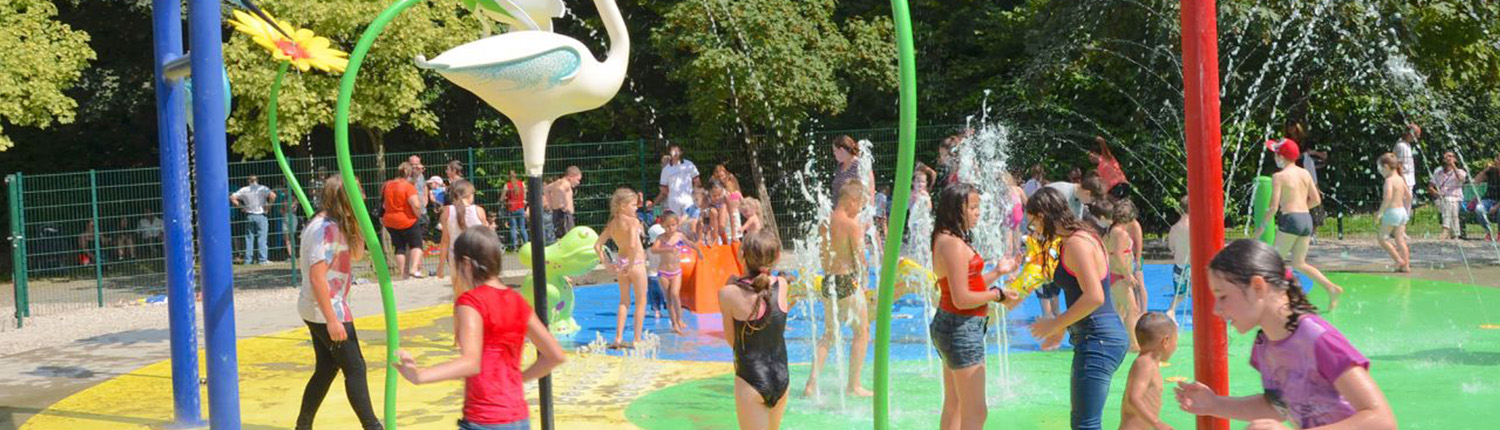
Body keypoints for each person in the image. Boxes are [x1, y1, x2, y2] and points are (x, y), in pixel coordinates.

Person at [1175, 240, 1395, 430]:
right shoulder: (1265, 346)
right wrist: (1215, 405)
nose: (1216, 309)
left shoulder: (1317, 339)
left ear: (1257, 287)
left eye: (1222, 296)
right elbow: (1279, 407)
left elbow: (1381, 421)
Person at [394, 226, 567, 430]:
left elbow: (471, 362)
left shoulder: (471, 302)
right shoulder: (517, 301)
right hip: (518, 419)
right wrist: (518, 379)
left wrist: (420, 375)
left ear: (466, 264)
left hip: (484, 419)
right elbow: (555, 355)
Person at [1026, 187, 1128, 430]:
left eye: (1033, 224)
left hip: (1098, 338)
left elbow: (1094, 297)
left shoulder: (1075, 244)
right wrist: (1063, 328)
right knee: (1085, 421)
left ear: (1042, 216)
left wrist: (1055, 323)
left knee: (1086, 424)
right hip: (1099, 336)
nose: (1034, 230)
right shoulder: (1084, 235)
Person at [929, 182, 1020, 430]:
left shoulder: (946, 238)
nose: (978, 212)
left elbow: (966, 285)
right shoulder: (953, 244)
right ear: (958, 209)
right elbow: (962, 299)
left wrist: (997, 272)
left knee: (955, 404)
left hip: (950, 324)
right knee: (976, 412)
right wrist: (996, 295)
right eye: (973, 207)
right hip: (960, 327)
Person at [295, 176, 382, 430]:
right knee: (355, 368)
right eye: (358, 194)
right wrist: (332, 320)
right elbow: (317, 276)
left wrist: (358, 222)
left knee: (326, 367)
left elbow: (356, 254)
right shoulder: (325, 228)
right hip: (327, 309)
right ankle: (373, 426)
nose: (364, 198)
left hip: (319, 307)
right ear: (345, 198)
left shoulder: (333, 224)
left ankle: (303, 425)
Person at [804, 180, 876, 398]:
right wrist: (864, 284)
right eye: (860, 205)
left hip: (828, 282)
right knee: (862, 332)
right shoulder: (851, 224)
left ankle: (811, 384)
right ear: (851, 201)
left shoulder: (825, 221)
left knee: (828, 334)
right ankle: (854, 385)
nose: (861, 210)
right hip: (847, 282)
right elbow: (860, 258)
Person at [1257, 138, 1343, 310]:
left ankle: (1278, 300)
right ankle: (1331, 287)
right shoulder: (1305, 173)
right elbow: (1317, 199)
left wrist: (1262, 226)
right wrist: (1301, 208)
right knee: (1299, 263)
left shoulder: (1279, 176)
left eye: (1276, 154)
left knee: (1274, 261)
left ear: (1281, 157)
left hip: (1291, 219)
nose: (1274, 158)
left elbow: (1273, 206)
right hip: (1306, 219)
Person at [719, 229, 791, 430]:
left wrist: (733, 283)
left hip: (751, 379)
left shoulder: (727, 294)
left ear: (742, 255)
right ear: (776, 257)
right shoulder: (782, 285)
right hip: (782, 377)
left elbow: (732, 341)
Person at [595, 188, 649, 349]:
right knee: (640, 301)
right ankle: (637, 339)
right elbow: (633, 244)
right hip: (636, 264)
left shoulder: (613, 223)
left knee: (624, 301)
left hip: (621, 264)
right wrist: (632, 264)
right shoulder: (633, 222)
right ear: (624, 205)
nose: (636, 207)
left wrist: (606, 264)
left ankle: (618, 338)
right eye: (633, 205)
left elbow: (597, 245)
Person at [1089, 200, 1141, 352]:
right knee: (1132, 309)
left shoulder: (1111, 230)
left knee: (1119, 311)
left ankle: (1114, 340)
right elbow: (1118, 255)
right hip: (1120, 276)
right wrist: (1128, 275)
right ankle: (1133, 343)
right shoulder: (1121, 233)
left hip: (1113, 275)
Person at [1121, 312, 1178, 430]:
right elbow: (1134, 398)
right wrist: (1157, 423)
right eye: (1175, 340)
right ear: (1165, 341)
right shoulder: (1144, 363)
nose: (1176, 346)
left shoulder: (1150, 363)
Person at [651, 211, 703, 335]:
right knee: (668, 299)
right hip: (663, 272)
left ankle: (679, 319)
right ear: (663, 226)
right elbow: (654, 250)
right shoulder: (661, 238)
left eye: (673, 225)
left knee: (675, 294)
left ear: (677, 224)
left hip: (676, 272)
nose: (671, 228)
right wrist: (667, 248)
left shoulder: (679, 236)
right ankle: (674, 323)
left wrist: (698, 250)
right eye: (668, 226)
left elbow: (689, 243)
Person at [443, 180, 492, 290]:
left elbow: (445, 240)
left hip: (455, 257)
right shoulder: (479, 210)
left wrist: (441, 266)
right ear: (469, 195)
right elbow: (485, 236)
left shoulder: (447, 211)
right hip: (477, 255)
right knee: (479, 289)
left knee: (459, 294)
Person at [382, 162, 425, 280]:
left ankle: (402, 274)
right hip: (407, 220)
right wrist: (418, 216)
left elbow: (384, 205)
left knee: (399, 247)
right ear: (408, 174)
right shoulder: (408, 187)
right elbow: (416, 205)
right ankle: (414, 269)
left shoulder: (387, 185)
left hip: (390, 221)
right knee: (416, 245)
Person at [1376, 153, 1412, 273]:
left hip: (1392, 212)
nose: (1381, 172)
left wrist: (1380, 213)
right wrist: (1407, 210)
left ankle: (1398, 260)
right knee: (1400, 240)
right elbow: (1409, 196)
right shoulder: (1401, 179)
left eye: (1380, 169)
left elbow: (1388, 197)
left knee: (1382, 238)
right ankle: (1406, 266)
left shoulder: (1389, 180)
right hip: (1402, 212)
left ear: (1386, 167)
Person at [231, 175, 278, 265]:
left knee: (249, 238)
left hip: (249, 215)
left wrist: (241, 207)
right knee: (262, 238)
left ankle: (248, 260)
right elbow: (273, 195)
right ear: (257, 180)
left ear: (248, 181)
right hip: (261, 214)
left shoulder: (244, 190)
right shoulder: (262, 188)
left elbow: (232, 197)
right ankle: (262, 259)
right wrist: (269, 206)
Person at [1428, 150, 1469, 240]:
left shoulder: (1461, 171)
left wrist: (1453, 166)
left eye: (1450, 156)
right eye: (1446, 157)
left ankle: (1446, 230)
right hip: (1440, 200)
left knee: (1450, 201)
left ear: (1455, 159)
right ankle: (1454, 233)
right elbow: (1430, 187)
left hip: (1457, 200)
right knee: (1448, 201)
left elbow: (1461, 179)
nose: (1448, 158)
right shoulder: (1438, 171)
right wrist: (1437, 194)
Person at [658, 145, 701, 222]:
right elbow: (663, 187)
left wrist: (694, 194)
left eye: (677, 151)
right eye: (673, 151)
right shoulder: (666, 169)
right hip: (673, 202)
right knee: (675, 222)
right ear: (669, 152)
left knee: (690, 221)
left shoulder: (689, 165)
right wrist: (672, 195)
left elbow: (697, 181)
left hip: (688, 199)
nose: (675, 153)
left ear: (681, 152)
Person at [1167, 197, 1191, 323]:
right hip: (1194, 267)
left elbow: (1171, 247)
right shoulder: (1196, 225)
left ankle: (1171, 311)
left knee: (1180, 294)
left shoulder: (1174, 228)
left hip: (1179, 266)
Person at [546, 166, 583, 239]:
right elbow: (561, 189)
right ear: (571, 177)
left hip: (556, 212)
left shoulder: (557, 182)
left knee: (560, 236)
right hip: (565, 213)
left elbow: (546, 189)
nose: (578, 183)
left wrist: (550, 204)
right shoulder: (566, 183)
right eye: (577, 180)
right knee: (569, 236)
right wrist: (564, 204)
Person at [713, 165, 745, 241]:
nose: (721, 178)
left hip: (734, 216)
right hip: (724, 217)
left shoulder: (734, 191)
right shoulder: (717, 189)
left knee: (735, 236)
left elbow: (741, 202)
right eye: (718, 177)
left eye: (722, 176)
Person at [1393, 123, 1420, 212]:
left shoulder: (1407, 145)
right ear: (1410, 134)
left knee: (1407, 204)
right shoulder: (1401, 146)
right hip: (1404, 179)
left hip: (1409, 179)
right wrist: (1403, 181)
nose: (1415, 138)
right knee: (1404, 205)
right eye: (1415, 135)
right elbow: (1398, 165)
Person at [1474, 154, 1500, 241]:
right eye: (1497, 159)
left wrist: (1496, 207)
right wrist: (1485, 170)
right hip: (1489, 200)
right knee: (1479, 209)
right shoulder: (1491, 171)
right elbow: (1476, 182)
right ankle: (1489, 232)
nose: (1498, 161)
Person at [502, 171, 528, 250]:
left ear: (509, 177)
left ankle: (514, 246)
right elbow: (525, 196)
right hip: (520, 207)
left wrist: (503, 201)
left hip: (511, 208)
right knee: (522, 227)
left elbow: (502, 197)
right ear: (516, 176)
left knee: (513, 228)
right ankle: (526, 245)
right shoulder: (522, 184)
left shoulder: (507, 185)